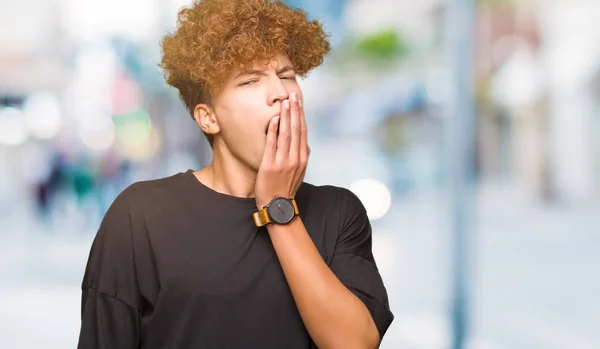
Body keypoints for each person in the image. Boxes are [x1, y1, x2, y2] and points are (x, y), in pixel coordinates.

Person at [77, 0, 394, 348]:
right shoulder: (141, 215)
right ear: (208, 118)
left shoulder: (338, 212)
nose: (280, 92)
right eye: (250, 81)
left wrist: (278, 207)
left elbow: (355, 343)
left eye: (287, 75)